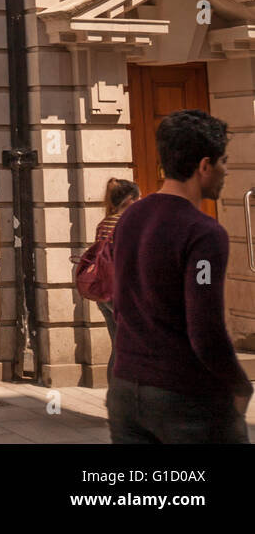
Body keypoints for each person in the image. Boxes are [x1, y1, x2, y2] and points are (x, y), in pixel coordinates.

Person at [108, 110, 253, 444]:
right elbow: (205, 328)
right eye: (223, 161)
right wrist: (237, 383)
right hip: (186, 396)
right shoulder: (204, 233)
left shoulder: (130, 219)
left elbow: (119, 302)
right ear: (204, 166)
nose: (226, 171)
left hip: (126, 391)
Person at [70, 178, 139, 374]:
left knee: (117, 346)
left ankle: (114, 392)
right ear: (130, 200)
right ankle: (123, 394)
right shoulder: (129, 223)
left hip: (103, 292)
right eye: (138, 198)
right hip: (122, 293)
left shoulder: (104, 224)